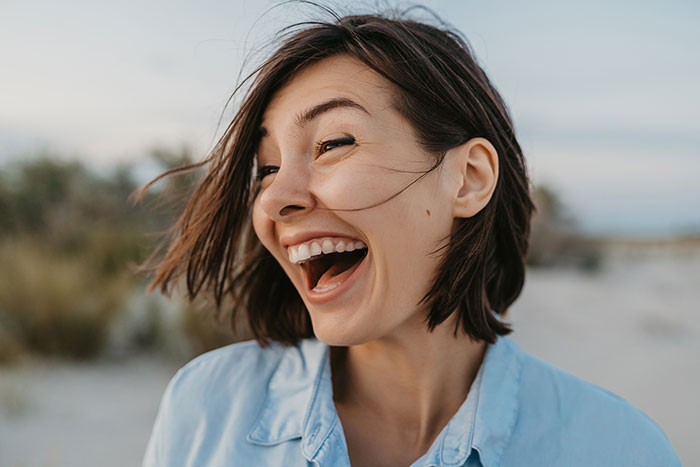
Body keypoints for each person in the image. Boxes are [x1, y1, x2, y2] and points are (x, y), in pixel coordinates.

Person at [142, 8, 680, 467]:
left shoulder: (620, 449)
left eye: (333, 143)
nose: (275, 197)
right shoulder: (207, 408)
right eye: (266, 168)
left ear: (469, 178)